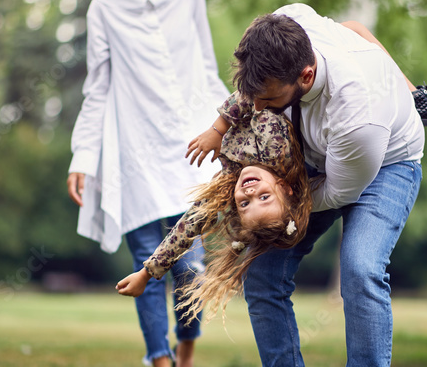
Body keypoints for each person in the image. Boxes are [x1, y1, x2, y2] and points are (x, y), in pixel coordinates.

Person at [231, 4, 426, 367]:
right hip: (314, 162)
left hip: (383, 166)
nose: (257, 106)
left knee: (360, 268)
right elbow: (357, 28)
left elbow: (338, 192)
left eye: (267, 96)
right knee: (261, 272)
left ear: (305, 74)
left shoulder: (357, 112)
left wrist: (277, 198)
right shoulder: (286, 28)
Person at [66, 0, 229, 367]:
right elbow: (98, 86)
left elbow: (206, 66)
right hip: (131, 148)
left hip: (188, 149)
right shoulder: (104, 6)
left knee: (189, 267)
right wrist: (83, 157)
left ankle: (186, 358)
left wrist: (230, 130)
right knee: (145, 265)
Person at [115, 91, 311, 324]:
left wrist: (146, 274)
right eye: (265, 197)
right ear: (283, 187)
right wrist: (217, 130)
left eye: (245, 204)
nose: (250, 193)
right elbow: (256, 92)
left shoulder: (228, 184)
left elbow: (187, 228)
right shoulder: (276, 151)